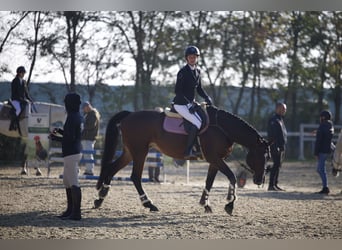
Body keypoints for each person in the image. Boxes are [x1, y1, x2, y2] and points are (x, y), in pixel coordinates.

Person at [172, 45, 213, 160]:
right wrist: (188, 104)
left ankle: (198, 148)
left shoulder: (198, 71)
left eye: (194, 57)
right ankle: (188, 150)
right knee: (196, 122)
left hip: (190, 103)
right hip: (180, 104)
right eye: (190, 57)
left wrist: (206, 97)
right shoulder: (182, 72)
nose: (192, 59)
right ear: (186, 58)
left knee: (202, 120)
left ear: (197, 58)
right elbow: (178, 91)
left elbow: (199, 89)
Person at [49, 92, 83, 220]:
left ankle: (76, 213)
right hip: (73, 152)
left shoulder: (72, 117)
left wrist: (54, 138)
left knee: (74, 183)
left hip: (71, 153)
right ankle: (70, 210)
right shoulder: (76, 116)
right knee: (67, 182)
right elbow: (70, 134)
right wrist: (59, 131)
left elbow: (70, 138)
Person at [267, 102, 287, 191]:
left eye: (285, 109)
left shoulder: (280, 119)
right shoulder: (274, 120)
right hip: (276, 146)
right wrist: (275, 147)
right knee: (276, 165)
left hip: (281, 146)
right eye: (282, 109)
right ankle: (271, 185)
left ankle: (275, 184)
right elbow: (273, 135)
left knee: (278, 165)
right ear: (277, 109)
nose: (284, 111)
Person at [314, 110, 334, 194]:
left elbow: (319, 141)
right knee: (321, 169)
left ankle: (325, 187)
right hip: (328, 149)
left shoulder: (322, 126)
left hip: (322, 150)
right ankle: (325, 186)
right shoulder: (330, 125)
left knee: (320, 169)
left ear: (323, 117)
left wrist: (315, 152)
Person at [9, 66, 33, 132]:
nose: (23, 74)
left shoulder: (24, 81)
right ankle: (12, 124)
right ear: (19, 73)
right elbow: (14, 93)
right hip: (15, 100)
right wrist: (22, 100)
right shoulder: (14, 81)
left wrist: (30, 100)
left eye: (24, 73)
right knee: (18, 109)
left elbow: (26, 93)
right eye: (22, 73)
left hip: (22, 100)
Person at [81, 101, 100, 176]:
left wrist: (83, 125)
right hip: (88, 137)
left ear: (87, 106)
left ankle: (90, 170)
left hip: (89, 137)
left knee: (88, 154)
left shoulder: (92, 114)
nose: (83, 110)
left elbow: (91, 125)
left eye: (84, 108)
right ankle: (88, 169)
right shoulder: (90, 114)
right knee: (87, 154)